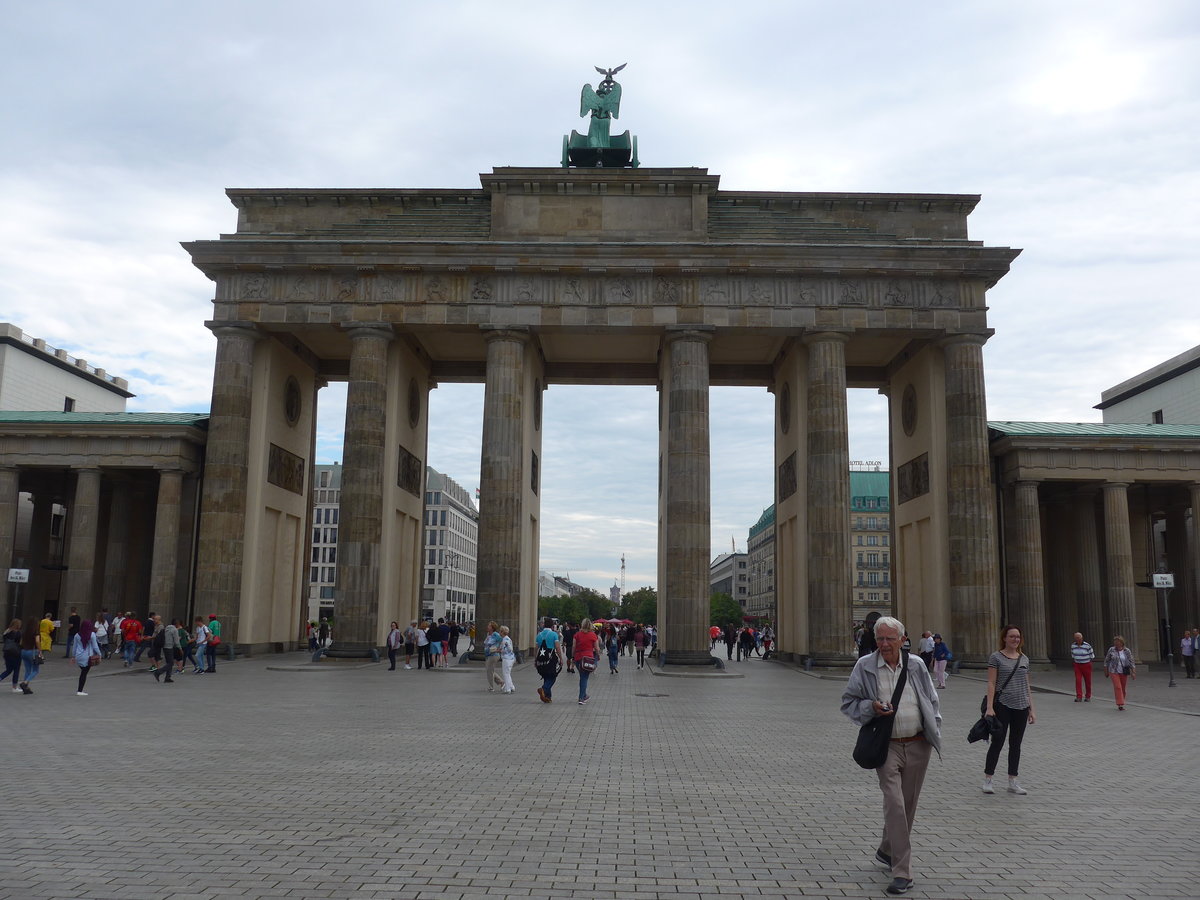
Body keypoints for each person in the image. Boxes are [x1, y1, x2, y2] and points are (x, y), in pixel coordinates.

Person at [841, 615, 941, 896]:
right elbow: (849, 702)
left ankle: (887, 848)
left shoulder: (917, 664)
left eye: (889, 639)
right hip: (887, 745)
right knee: (895, 804)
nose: (884, 644)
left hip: (919, 743)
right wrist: (870, 707)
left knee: (907, 807)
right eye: (880, 639)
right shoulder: (865, 666)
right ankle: (902, 871)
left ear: (902, 639)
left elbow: (931, 699)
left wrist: (935, 728)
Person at [983, 624, 1035, 796]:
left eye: (1018, 637)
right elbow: (991, 682)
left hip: (1021, 705)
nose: (1015, 639)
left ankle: (1013, 780)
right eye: (1012, 636)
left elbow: (1027, 685)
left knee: (1016, 744)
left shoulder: (1024, 659)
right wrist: (990, 707)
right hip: (1002, 705)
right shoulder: (996, 657)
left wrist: (1031, 708)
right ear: (1004, 638)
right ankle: (988, 779)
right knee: (998, 741)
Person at [535, 616, 564, 703]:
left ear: (543, 625)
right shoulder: (554, 634)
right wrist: (561, 658)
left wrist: (535, 660)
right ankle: (544, 689)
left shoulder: (539, 635)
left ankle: (547, 697)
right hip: (551, 659)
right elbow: (557, 647)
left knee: (546, 676)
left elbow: (536, 648)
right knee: (552, 676)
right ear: (552, 625)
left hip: (541, 659)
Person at [573, 617, 602, 705]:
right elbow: (597, 648)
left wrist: (572, 656)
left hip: (578, 658)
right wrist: (598, 655)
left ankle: (584, 695)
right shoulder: (593, 635)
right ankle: (581, 698)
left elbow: (574, 647)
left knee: (582, 677)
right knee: (584, 678)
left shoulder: (577, 634)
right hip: (588, 659)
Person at [1103, 636, 1136, 711]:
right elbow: (1106, 660)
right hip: (1114, 671)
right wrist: (1106, 671)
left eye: (1118, 642)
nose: (1116, 644)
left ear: (1121, 643)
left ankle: (1121, 701)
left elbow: (1132, 661)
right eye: (1115, 642)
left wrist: (1133, 672)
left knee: (1123, 688)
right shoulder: (1111, 649)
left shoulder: (1127, 650)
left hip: (1124, 671)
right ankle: (1120, 703)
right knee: (1118, 687)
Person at [69, 620, 101, 696]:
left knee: (83, 671)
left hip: (79, 656)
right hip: (88, 656)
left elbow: (74, 647)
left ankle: (80, 690)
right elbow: (95, 646)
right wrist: (99, 654)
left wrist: (73, 656)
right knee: (84, 673)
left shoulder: (77, 635)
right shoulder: (92, 634)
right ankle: (80, 690)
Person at [152, 615, 179, 683]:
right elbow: (176, 642)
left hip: (164, 646)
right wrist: (179, 647)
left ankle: (167, 677)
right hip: (170, 647)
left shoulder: (167, 628)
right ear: (177, 624)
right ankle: (158, 672)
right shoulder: (174, 630)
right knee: (171, 663)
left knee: (169, 662)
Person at [1070, 632, 1095, 701]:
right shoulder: (1073, 646)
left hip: (1086, 664)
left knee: (1088, 681)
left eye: (1079, 638)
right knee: (1078, 680)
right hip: (1077, 665)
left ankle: (1088, 696)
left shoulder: (1087, 646)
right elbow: (1073, 655)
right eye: (1076, 638)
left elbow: (1092, 656)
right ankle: (1079, 696)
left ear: (1082, 638)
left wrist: (1087, 661)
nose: (1077, 639)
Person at [19, 619, 42, 694]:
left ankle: (26, 688)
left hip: (23, 651)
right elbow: (37, 641)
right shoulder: (36, 632)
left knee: (28, 670)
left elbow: (21, 642)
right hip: (32, 651)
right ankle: (25, 683)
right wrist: (40, 650)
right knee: (35, 670)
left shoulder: (24, 632)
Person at [482, 621, 504, 691]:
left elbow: (502, 641)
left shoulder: (496, 635)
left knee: (489, 670)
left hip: (494, 654)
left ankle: (491, 687)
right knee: (490, 670)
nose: (487, 627)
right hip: (488, 654)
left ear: (492, 627)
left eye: (489, 626)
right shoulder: (488, 634)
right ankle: (501, 682)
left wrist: (499, 649)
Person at [1, 619, 22, 692]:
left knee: (9, 669)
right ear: (18, 625)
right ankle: (14, 687)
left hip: (6, 652)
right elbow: (19, 643)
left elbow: (4, 640)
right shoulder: (18, 633)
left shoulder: (7, 631)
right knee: (16, 670)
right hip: (15, 653)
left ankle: (0, 678)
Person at [497, 625, 516, 693]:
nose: (499, 632)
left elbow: (507, 649)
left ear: (502, 632)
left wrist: (499, 650)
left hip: (506, 658)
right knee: (508, 673)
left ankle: (508, 689)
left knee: (506, 673)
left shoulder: (505, 640)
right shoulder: (508, 638)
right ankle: (511, 686)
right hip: (511, 658)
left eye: (500, 631)